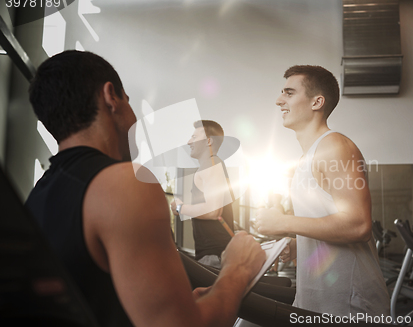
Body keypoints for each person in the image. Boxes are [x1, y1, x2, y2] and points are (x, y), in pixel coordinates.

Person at [25, 50, 265, 327]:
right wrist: (237, 270)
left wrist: (184, 303)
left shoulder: (39, 194)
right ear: (110, 97)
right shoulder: (126, 182)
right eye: (129, 102)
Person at [254, 65, 390, 317]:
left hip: (349, 303)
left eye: (289, 93)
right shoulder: (310, 155)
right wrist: (299, 244)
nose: (278, 100)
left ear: (317, 102)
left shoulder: (335, 146)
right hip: (321, 298)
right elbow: (329, 221)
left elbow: (358, 225)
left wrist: (283, 221)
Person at [170, 120, 234, 268]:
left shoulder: (211, 165)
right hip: (215, 254)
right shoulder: (213, 165)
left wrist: (181, 208)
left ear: (209, 141)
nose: (189, 142)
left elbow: (213, 211)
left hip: (215, 256)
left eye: (194, 137)